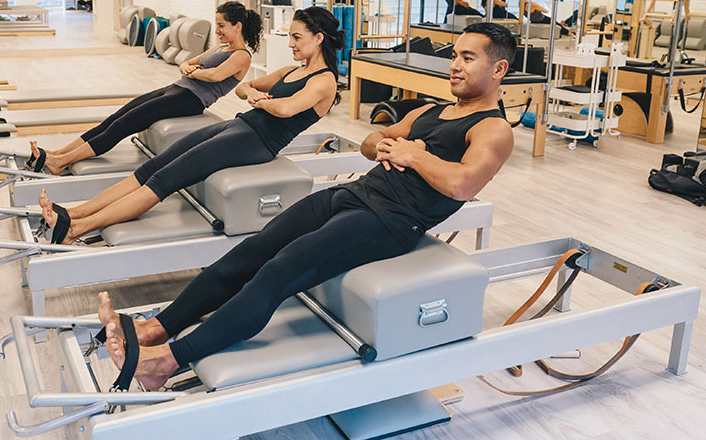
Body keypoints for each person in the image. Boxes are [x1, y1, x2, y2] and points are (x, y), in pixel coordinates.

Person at [95, 22, 516, 391]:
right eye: (455, 56)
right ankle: (156, 328)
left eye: (467, 57)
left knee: (281, 270)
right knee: (253, 251)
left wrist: (415, 155)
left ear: (498, 69)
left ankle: (168, 361)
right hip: (354, 194)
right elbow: (372, 141)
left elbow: (463, 185)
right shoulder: (432, 110)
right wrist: (390, 145)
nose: (455, 65)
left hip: (389, 221)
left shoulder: (493, 129)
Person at [39, 6, 344, 245]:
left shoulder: (324, 81)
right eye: (290, 36)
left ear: (318, 39)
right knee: (152, 168)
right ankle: (73, 213)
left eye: (296, 37)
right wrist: (254, 94)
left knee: (165, 180)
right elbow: (244, 87)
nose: (290, 43)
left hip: (256, 143)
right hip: (239, 126)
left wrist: (260, 99)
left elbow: (285, 108)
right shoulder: (291, 70)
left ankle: (76, 229)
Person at [28, 1, 262, 175]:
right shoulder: (220, 49)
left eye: (222, 26)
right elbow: (186, 62)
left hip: (191, 99)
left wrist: (194, 71)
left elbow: (214, 75)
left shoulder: (242, 55)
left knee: (122, 126)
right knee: (115, 117)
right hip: (178, 88)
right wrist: (188, 69)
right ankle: (58, 154)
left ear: (238, 26)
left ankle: (59, 163)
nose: (218, 30)